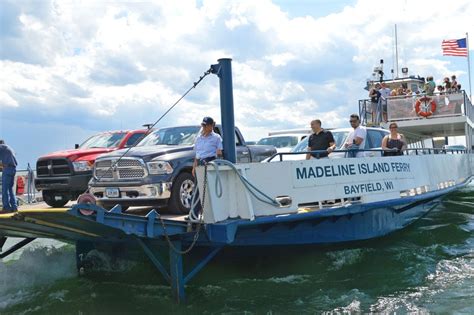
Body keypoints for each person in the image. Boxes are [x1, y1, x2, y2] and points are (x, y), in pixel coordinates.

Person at [0, 140, 18, 213]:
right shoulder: (9, 148)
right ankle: (14, 207)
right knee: (10, 189)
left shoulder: (1, 147)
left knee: (4, 189)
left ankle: (6, 208)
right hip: (13, 169)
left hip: (7, 169)